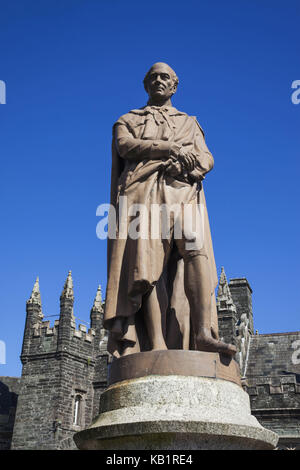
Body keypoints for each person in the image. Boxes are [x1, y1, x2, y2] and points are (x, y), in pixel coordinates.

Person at [104, 62, 236, 358]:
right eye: (153, 77)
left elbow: (207, 158)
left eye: (165, 77)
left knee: (196, 251)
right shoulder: (127, 119)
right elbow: (126, 147)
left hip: (183, 192)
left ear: (175, 85)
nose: (159, 81)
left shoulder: (189, 122)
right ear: (145, 85)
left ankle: (203, 333)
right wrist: (170, 150)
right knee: (146, 266)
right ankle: (157, 343)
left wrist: (190, 166)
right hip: (142, 195)